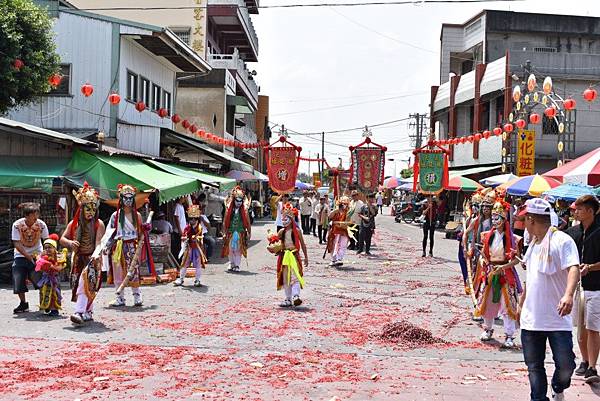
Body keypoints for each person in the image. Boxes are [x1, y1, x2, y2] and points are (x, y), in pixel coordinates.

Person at [519, 198, 580, 401]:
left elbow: (573, 267)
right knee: (534, 367)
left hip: (557, 318)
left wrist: (568, 295)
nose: (522, 224)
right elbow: (531, 278)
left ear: (531, 219)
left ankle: (558, 386)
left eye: (524, 220)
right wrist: (521, 302)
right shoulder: (533, 245)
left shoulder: (562, 240)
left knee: (566, 365)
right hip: (532, 319)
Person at [475, 199, 522, 348]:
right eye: (493, 218)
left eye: (498, 218)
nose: (495, 221)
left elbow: (516, 261)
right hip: (490, 272)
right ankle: (488, 329)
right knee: (487, 303)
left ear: (504, 219)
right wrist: (484, 261)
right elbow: (485, 255)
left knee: (507, 305)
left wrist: (503, 267)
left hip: (505, 273)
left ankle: (509, 335)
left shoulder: (513, 239)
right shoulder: (487, 236)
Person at [60, 182, 106, 324]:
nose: (90, 212)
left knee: (85, 284)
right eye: (88, 208)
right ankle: (88, 311)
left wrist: (96, 254)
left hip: (92, 259)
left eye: (93, 209)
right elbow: (62, 238)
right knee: (81, 286)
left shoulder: (99, 224)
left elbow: (99, 242)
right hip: (78, 258)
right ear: (82, 208)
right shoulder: (73, 224)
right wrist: (70, 243)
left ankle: (79, 312)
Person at [567, 195, 600, 383]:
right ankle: (585, 360)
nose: (575, 212)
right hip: (577, 288)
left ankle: (593, 367)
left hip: (596, 288)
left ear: (590, 211)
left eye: (579, 209)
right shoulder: (572, 233)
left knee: (593, 328)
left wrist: (591, 267)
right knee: (581, 329)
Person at [107, 184, 145, 307]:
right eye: (125, 198)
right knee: (118, 273)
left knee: (133, 272)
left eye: (130, 198)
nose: (128, 201)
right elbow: (110, 233)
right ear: (121, 199)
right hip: (118, 247)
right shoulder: (115, 216)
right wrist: (107, 246)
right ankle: (120, 298)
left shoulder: (137, 216)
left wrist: (145, 231)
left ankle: (137, 296)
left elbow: (140, 234)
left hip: (132, 246)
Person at [12, 202, 49, 314]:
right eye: (34, 216)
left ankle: (44, 303)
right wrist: (28, 256)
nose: (36, 218)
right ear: (27, 216)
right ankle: (23, 304)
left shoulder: (41, 224)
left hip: (37, 254)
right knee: (18, 277)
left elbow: (46, 240)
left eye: (37, 215)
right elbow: (16, 243)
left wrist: (45, 254)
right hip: (21, 255)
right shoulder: (17, 225)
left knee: (40, 279)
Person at [276, 203, 308, 307]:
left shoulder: (297, 231)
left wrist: (306, 257)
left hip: (294, 256)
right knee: (286, 278)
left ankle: (296, 296)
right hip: (285, 257)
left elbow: (303, 244)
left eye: (286, 218)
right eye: (283, 219)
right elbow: (277, 244)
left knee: (295, 276)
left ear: (291, 219)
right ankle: (288, 299)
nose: (284, 221)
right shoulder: (281, 232)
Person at [35, 234, 68, 316]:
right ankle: (46, 306)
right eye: (45, 248)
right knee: (43, 292)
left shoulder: (59, 257)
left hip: (54, 279)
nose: (47, 249)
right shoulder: (42, 257)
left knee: (55, 293)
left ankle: (54, 310)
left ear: (54, 248)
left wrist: (51, 266)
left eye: (49, 247)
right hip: (45, 278)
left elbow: (60, 267)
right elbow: (40, 267)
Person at [174, 205, 206, 287]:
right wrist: (184, 238)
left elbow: (201, 237)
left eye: (195, 218)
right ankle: (181, 279)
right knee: (184, 263)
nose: (193, 220)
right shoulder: (187, 227)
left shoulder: (199, 228)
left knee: (198, 264)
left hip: (197, 248)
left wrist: (197, 238)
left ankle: (197, 280)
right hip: (189, 248)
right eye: (191, 218)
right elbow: (184, 235)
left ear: (197, 219)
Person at [222, 186, 251, 272]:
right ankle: (231, 263)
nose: (238, 203)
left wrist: (249, 233)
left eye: (240, 201)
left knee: (238, 250)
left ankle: (237, 265)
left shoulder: (245, 210)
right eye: (237, 200)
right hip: (230, 232)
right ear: (233, 200)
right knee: (230, 249)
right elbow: (224, 221)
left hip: (240, 233)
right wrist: (224, 232)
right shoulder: (229, 209)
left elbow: (248, 223)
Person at [326, 196, 353, 267]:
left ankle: (339, 259)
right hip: (335, 230)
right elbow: (329, 217)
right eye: (343, 204)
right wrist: (336, 210)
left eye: (346, 204)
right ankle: (333, 259)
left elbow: (348, 221)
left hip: (343, 230)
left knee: (343, 245)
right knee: (334, 245)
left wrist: (344, 224)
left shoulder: (348, 212)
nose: (344, 205)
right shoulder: (336, 211)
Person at [172, 197, 187, 261]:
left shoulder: (181, 206)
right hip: (178, 231)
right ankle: (178, 261)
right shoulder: (177, 206)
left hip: (182, 230)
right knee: (178, 247)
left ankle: (181, 261)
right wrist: (180, 230)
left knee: (182, 247)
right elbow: (176, 218)